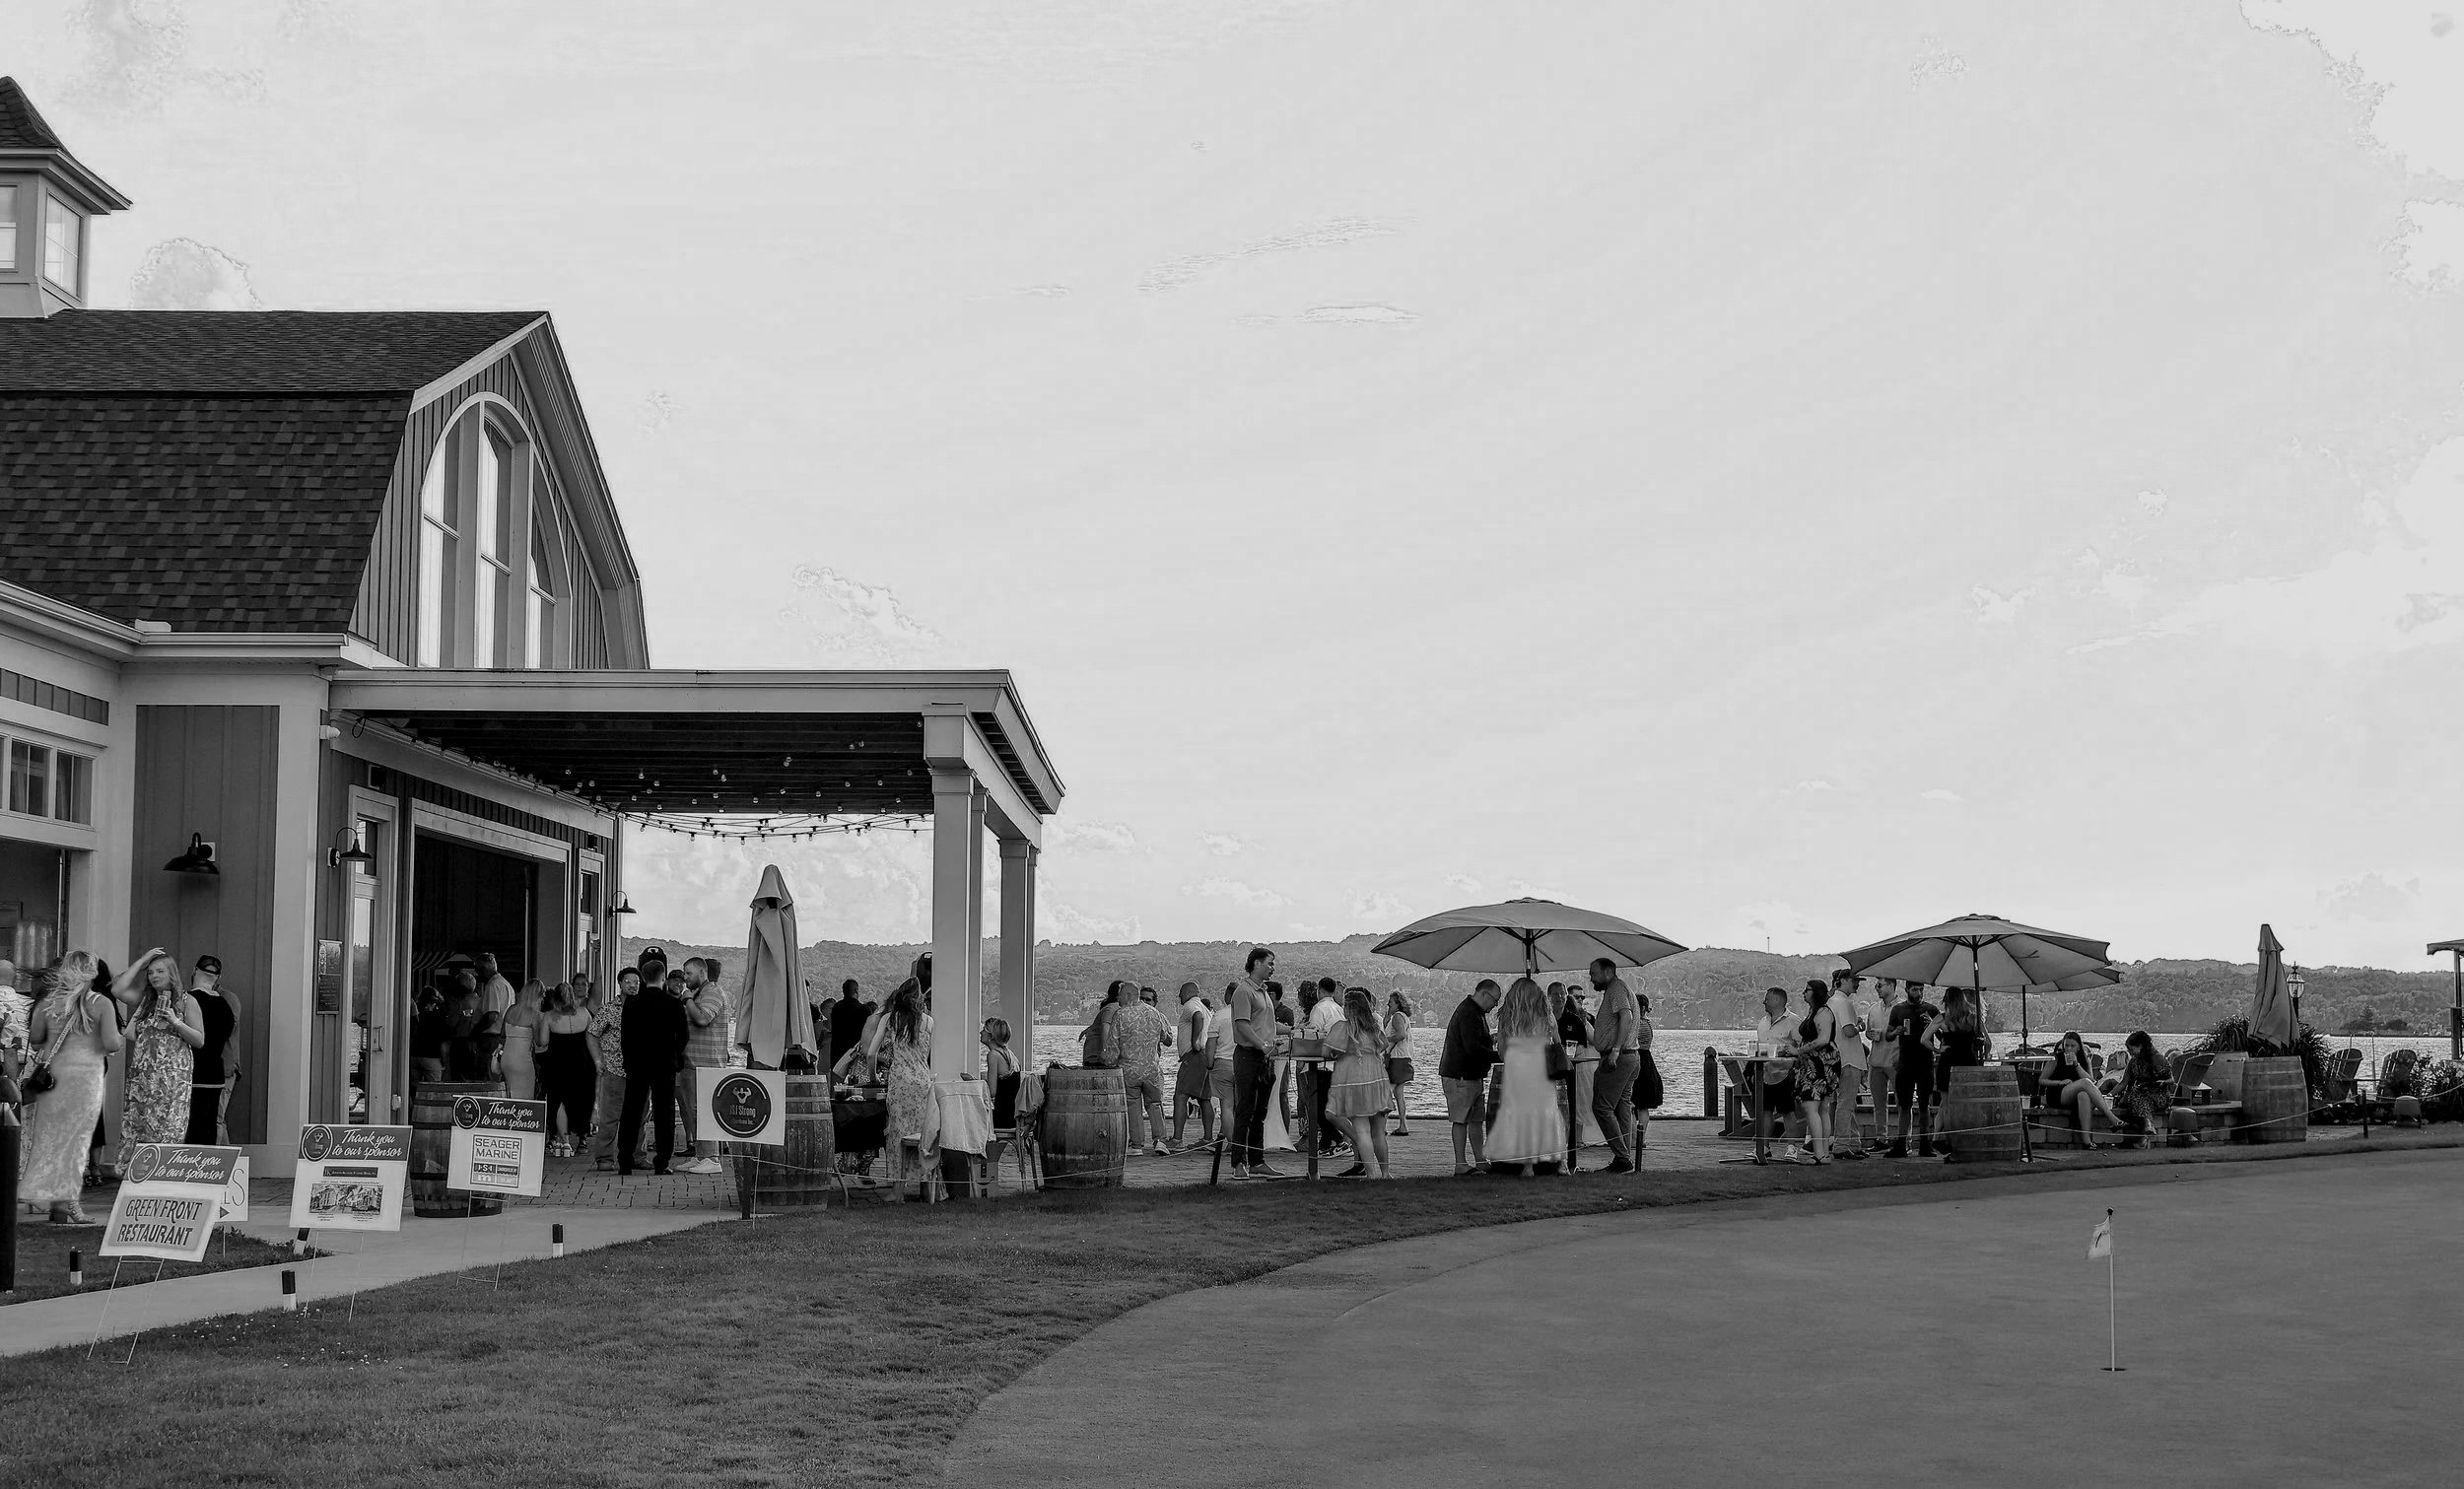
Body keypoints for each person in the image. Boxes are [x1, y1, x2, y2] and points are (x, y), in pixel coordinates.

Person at [19, 963, 125, 1222]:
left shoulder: (48, 1003)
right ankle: (65, 1202)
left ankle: (54, 1199)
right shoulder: (91, 1004)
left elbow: (35, 1039)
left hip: (50, 1078)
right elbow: (111, 1043)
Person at [113, 948, 204, 1169]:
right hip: (143, 1077)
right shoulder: (146, 1000)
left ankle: (163, 1171)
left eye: (160, 971)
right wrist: (143, 960)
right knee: (139, 1123)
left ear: (172, 973)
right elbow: (118, 989)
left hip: (172, 1078)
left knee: (167, 1125)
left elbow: (199, 1040)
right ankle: (136, 1173)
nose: (154, 976)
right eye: (151, 972)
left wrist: (175, 1021)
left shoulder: (186, 1001)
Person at [1485, 979, 1564, 1176]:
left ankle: (1527, 1165)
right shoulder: (1546, 1014)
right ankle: (1561, 1162)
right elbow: (1557, 1041)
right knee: (1548, 1112)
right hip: (1541, 1068)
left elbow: (1502, 1049)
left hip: (1517, 1068)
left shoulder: (1508, 1016)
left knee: (1522, 1114)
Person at [865, 976, 934, 1191]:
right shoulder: (929, 1022)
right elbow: (926, 1055)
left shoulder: (890, 1019)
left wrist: (874, 1078)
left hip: (900, 1081)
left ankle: (898, 1190)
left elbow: (871, 1054)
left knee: (897, 1132)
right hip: (923, 1081)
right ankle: (926, 1187)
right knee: (922, 1133)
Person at [618, 966, 689, 1177]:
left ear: (643, 977)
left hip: (637, 1064)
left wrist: (628, 1060)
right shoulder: (673, 1004)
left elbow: (625, 1036)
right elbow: (683, 1036)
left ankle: (625, 1159)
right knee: (664, 1113)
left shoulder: (631, 1003)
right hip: (664, 1064)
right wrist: (675, 1055)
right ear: (663, 978)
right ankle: (662, 1161)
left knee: (631, 1111)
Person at [1227, 948, 1286, 1180]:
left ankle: (1257, 1161)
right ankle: (1238, 1163)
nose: (1273, 968)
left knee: (1260, 1112)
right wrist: (1262, 1045)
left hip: (1264, 1058)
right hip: (1248, 1056)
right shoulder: (1244, 991)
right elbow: (1242, 1025)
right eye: (1270, 963)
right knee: (1245, 1111)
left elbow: (1268, 1024)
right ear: (1256, 963)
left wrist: (1294, 1031)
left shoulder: (1263, 992)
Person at [1324, 987, 1394, 1179]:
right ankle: (1385, 1173)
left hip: (1353, 1079)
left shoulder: (1342, 1027)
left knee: (1362, 1131)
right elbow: (1384, 1045)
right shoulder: (1373, 1028)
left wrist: (1340, 1054)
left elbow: (1325, 1052)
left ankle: (1371, 1174)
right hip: (1376, 1077)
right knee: (1378, 1132)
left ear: (1348, 1008)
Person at [1439, 979, 1502, 1176]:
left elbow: (1475, 1041)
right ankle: (1460, 1164)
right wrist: (1500, 1056)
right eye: (1495, 1000)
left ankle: (1480, 1160)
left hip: (1471, 1075)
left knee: (1476, 1120)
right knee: (1460, 1120)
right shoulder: (1469, 1013)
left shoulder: (1474, 1012)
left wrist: (1491, 1039)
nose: (1495, 1005)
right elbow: (1472, 1048)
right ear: (1484, 994)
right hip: (1460, 1075)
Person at [1587, 958, 1642, 1173]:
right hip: (1631, 1056)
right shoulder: (1619, 989)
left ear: (1608, 972)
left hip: (1618, 1057)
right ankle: (1624, 1158)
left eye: (1594, 973)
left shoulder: (1617, 989)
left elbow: (1626, 1016)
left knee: (1601, 1107)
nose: (1591, 977)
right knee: (1622, 1107)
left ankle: (1622, 1158)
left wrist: (1616, 1049)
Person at [674, 957, 728, 1175]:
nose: (685, 978)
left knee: (704, 1111)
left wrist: (687, 1000)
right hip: (692, 1062)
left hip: (707, 1064)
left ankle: (711, 1158)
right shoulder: (699, 993)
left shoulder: (713, 992)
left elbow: (703, 1019)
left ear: (702, 972)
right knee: (693, 1111)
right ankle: (700, 1155)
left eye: (689, 973)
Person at [183, 954, 240, 1145]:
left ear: (195, 971)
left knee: (191, 1125)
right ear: (217, 977)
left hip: (192, 1071)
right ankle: (212, 1161)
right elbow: (229, 1032)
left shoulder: (189, 1000)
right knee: (212, 1123)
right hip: (216, 1071)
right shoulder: (224, 1004)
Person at [587, 967, 641, 1170]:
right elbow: (592, 1033)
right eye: (628, 981)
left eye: (636, 982)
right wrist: (597, 1060)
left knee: (640, 1116)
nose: (633, 985)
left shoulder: (643, 1007)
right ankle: (604, 1158)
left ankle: (637, 1155)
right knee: (610, 1116)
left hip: (639, 1071)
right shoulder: (610, 1009)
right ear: (620, 984)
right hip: (614, 1068)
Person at [1113, 978, 1174, 1155]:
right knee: (1155, 1104)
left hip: (1129, 1069)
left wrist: (1109, 1061)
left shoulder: (1121, 1015)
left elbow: (1112, 1045)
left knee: (1133, 1106)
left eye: (1120, 996)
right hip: (1152, 1068)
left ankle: (1137, 1145)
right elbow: (1166, 1038)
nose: (1118, 999)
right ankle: (1160, 1141)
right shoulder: (1156, 1014)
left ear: (1128, 996)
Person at [539, 979, 596, 1158]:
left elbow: (543, 1041)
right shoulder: (584, 1013)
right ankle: (582, 1138)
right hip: (581, 1061)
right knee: (581, 1099)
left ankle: (557, 1138)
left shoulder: (549, 1016)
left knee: (557, 1100)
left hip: (557, 1063)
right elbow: (591, 1038)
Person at [1784, 981, 1838, 1164]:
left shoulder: (1823, 1012)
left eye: (1807, 990)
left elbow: (1823, 1039)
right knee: (1822, 1109)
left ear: (1816, 993)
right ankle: (1823, 1153)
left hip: (1820, 1064)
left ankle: (1819, 1153)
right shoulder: (1815, 1011)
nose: (1803, 993)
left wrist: (1799, 1051)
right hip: (1816, 1062)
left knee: (1811, 1107)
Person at [1884, 981, 1940, 1158]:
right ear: (1907, 990)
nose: (1919, 993)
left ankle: (1925, 1144)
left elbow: (1943, 1035)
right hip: (1905, 1062)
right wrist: (1896, 1032)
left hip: (1925, 1062)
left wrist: (1932, 1024)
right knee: (1904, 1105)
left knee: (1924, 1104)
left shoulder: (1931, 1009)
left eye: (1921, 989)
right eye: (1915, 990)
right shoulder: (1898, 1010)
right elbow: (1887, 1035)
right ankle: (1901, 1144)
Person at [2043, 1030, 2121, 1146]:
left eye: (2072, 1046)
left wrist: (2076, 1064)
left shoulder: (2084, 1060)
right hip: (2058, 1094)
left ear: (2079, 1047)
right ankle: (2111, 1118)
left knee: (2083, 1095)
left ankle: (2086, 1140)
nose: (2069, 1049)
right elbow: (2042, 1080)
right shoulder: (2056, 1058)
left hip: (2076, 1096)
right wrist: (2060, 1082)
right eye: (2066, 1045)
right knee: (2084, 1083)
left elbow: (2091, 1081)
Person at [1749, 986, 1802, 1158]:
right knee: (1765, 1110)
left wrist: (1790, 1054)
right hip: (1765, 1072)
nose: (1764, 1001)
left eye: (1767, 998)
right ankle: (1764, 1147)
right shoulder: (1763, 1022)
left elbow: (1802, 1046)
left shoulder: (1793, 1021)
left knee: (1787, 1111)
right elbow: (1760, 1046)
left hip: (1785, 1072)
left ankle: (1791, 1148)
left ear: (1778, 1000)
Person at [1826, 970, 1871, 1160]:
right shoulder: (1843, 1002)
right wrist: (1860, 1025)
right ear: (1842, 981)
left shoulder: (1831, 1002)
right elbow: (1849, 1031)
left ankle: (1854, 1143)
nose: (1857, 983)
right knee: (1846, 1105)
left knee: (1846, 1104)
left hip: (1837, 1060)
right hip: (1849, 1060)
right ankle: (1841, 1146)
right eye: (1854, 980)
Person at [1557, 985, 1601, 1161]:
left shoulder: (1584, 1019)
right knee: (1578, 1100)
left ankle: (1576, 1138)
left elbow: (1593, 1039)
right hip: (1581, 1064)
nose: (1580, 1000)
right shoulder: (1579, 1020)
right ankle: (1576, 1139)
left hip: (1582, 1063)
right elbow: (1595, 1040)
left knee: (1578, 1100)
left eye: (1582, 997)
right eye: (1577, 997)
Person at [1170, 983, 1216, 1148]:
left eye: (1181, 992)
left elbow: (1198, 1017)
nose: (1179, 995)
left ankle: (1177, 1140)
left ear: (1189, 992)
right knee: (1205, 1099)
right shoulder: (1205, 1007)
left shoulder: (1192, 1005)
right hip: (1206, 1056)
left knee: (1180, 1096)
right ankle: (1208, 1138)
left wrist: (1194, 1041)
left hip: (1194, 1056)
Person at [2109, 1030, 2173, 1148]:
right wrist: (2109, 1095)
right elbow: (2123, 1083)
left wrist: (2162, 1082)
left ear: (2140, 1046)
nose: (2130, 1052)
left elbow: (2172, 1080)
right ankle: (2146, 1130)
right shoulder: (2133, 1062)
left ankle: (2145, 1132)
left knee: (2137, 1096)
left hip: (2159, 1095)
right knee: (2138, 1097)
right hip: (2141, 1095)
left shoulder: (2159, 1060)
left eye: (2131, 1049)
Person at [1864, 978, 1902, 1153]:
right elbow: (1868, 1032)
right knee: (1879, 1104)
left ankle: (1904, 1139)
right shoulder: (1873, 1009)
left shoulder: (1902, 1008)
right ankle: (1881, 1138)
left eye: (1879, 985)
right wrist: (1870, 1034)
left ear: (1891, 986)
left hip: (1895, 1061)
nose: (1876, 988)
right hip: (1876, 1061)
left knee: (1902, 1102)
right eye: (1876, 985)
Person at [982, 1016, 1020, 1172]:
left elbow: (992, 1091)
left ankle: (977, 1168)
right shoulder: (1010, 1055)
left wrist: (974, 1082)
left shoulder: (993, 1055)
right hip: (1014, 1116)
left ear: (991, 1035)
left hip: (1003, 1118)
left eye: (983, 1030)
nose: (980, 1032)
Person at [445, 972, 500, 1082]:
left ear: (460, 987)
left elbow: (451, 1023)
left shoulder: (458, 1004)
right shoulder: (482, 1002)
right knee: (476, 1076)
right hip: (479, 1042)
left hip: (460, 1043)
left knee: (459, 1078)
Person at [502, 979, 547, 1101]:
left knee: (509, 1095)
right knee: (525, 1099)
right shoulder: (534, 1015)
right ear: (538, 996)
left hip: (506, 1059)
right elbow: (539, 1042)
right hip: (522, 1061)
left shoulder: (511, 1010)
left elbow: (502, 1034)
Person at [1382, 991, 1416, 1137]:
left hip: (1396, 1058)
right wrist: (1386, 1021)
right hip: (1403, 1058)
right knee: (1399, 1093)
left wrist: (1385, 1040)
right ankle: (1403, 1125)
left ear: (1398, 1004)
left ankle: (1382, 1126)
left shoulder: (1397, 1017)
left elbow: (1401, 1035)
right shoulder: (1402, 1017)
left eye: (1390, 1002)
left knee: (1387, 1092)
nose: (1388, 1005)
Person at [1632, 988, 1664, 1150]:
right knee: (1642, 1106)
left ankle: (1634, 1138)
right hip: (1647, 1061)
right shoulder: (1648, 1023)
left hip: (1638, 1060)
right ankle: (1640, 1138)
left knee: (1632, 1103)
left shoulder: (1636, 1024)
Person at [829, 979, 872, 1068]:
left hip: (838, 1053)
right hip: (856, 1054)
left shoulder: (837, 1008)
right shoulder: (864, 1010)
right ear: (856, 990)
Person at [477, 952, 516, 1022]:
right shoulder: (506, 984)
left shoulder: (493, 985)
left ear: (484, 969)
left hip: (494, 1028)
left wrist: (477, 1027)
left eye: (478, 969)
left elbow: (492, 1015)